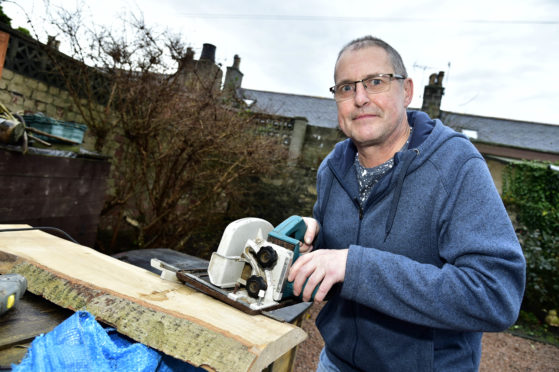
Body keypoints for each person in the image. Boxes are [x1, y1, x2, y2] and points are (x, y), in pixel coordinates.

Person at [287, 36, 526, 372]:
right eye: (345, 87)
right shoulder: (332, 168)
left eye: (375, 82)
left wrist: (355, 266)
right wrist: (312, 248)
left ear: (407, 91)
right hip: (336, 364)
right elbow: (337, 270)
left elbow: (496, 295)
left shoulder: (457, 165)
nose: (360, 98)